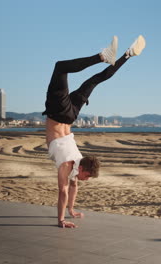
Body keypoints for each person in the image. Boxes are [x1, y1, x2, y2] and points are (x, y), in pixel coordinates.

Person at [43, 35, 146, 228]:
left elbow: (73, 187)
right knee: (60, 67)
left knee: (95, 80)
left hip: (70, 114)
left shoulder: (77, 162)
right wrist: (61, 220)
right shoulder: (67, 165)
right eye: (87, 176)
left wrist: (71, 210)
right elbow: (63, 191)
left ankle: (128, 55)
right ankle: (102, 57)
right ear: (81, 168)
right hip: (59, 114)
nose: (85, 180)